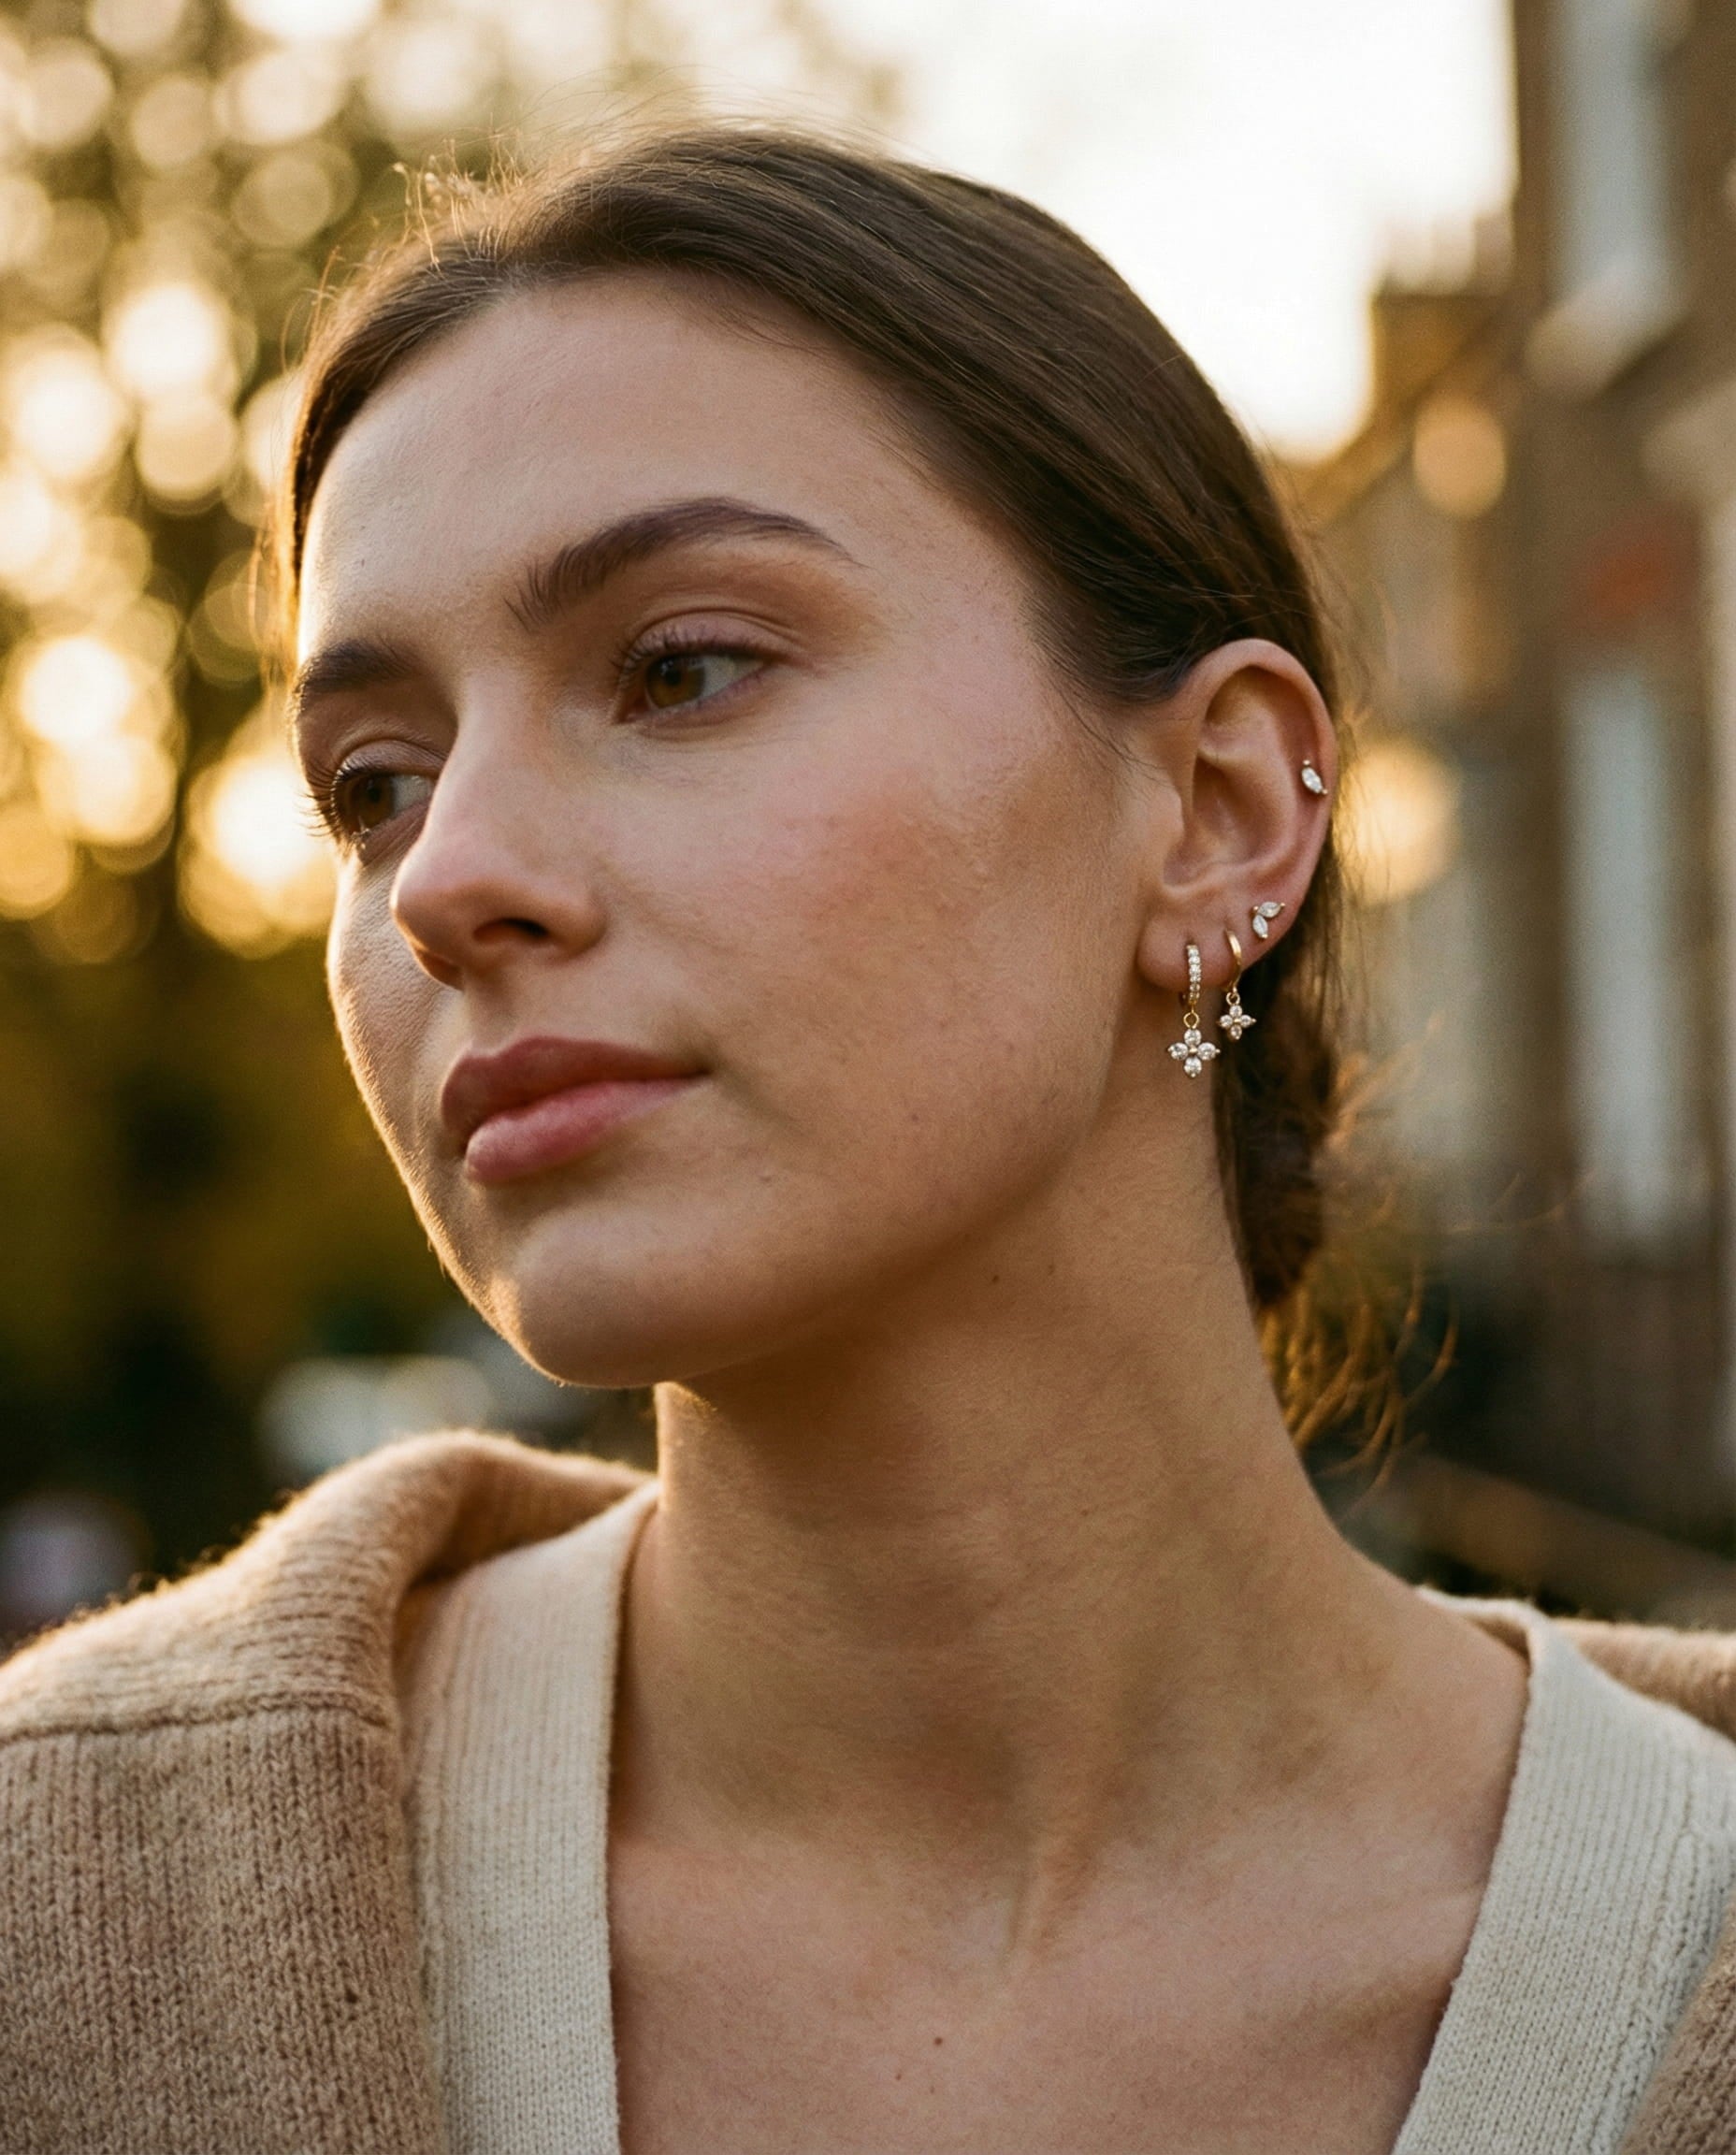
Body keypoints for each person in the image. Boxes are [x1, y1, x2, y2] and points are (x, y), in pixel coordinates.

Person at [6, 126, 1736, 2155]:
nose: (444, 877)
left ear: (1216, 813)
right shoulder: (62, 1922)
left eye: (681, 669)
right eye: (372, 781)